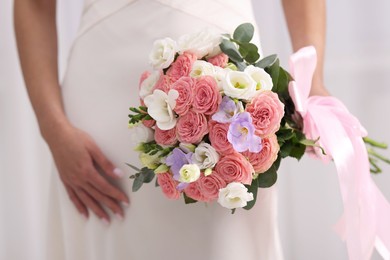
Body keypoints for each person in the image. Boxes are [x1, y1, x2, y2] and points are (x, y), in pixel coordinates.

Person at [14, 0, 327, 259]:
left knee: (226, 243)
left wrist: (312, 83)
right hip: (101, 90)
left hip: (228, 76)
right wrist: (52, 127)